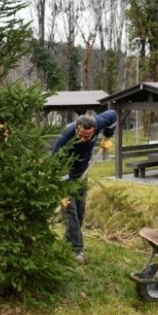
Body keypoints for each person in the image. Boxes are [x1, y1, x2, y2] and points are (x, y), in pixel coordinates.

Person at [52, 111, 117, 264]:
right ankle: (76, 250)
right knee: (70, 211)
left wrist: (108, 136)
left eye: (87, 137)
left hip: (82, 174)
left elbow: (113, 115)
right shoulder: (64, 138)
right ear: (77, 128)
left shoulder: (99, 121)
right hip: (64, 177)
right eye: (80, 134)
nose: (82, 138)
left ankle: (68, 242)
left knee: (80, 211)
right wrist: (64, 187)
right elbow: (54, 166)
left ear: (94, 130)